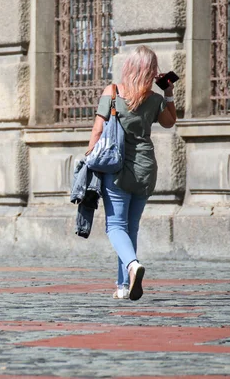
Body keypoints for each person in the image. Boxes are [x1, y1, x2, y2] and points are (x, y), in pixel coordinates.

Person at [86, 45, 177, 301]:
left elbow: (97, 130)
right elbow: (171, 122)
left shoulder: (112, 93)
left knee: (115, 226)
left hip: (116, 167)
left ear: (128, 67)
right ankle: (123, 286)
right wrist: (168, 92)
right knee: (131, 227)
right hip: (146, 168)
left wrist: (88, 158)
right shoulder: (155, 99)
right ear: (151, 71)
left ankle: (132, 266)